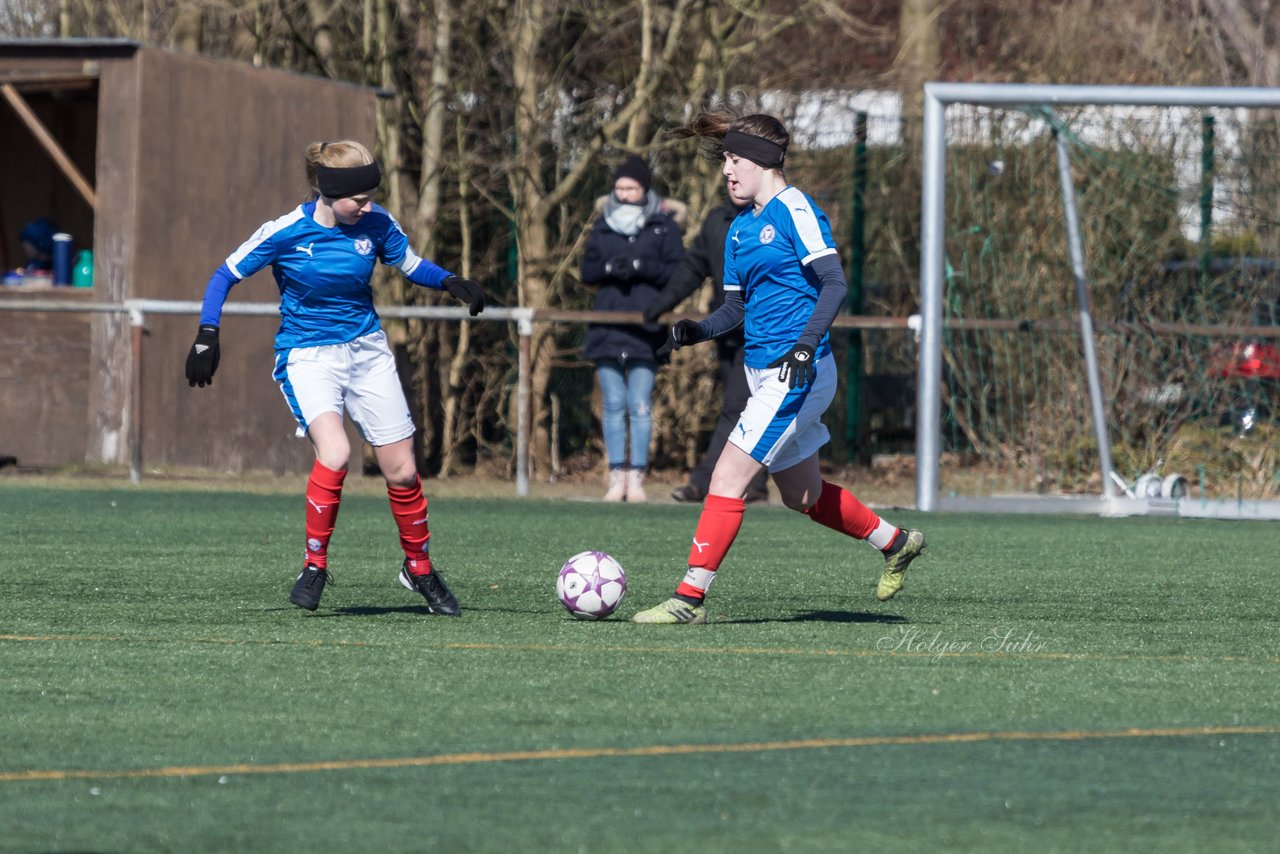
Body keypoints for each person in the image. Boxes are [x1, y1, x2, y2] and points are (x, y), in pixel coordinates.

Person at [632, 112, 927, 624]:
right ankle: (896, 541)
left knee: (727, 477)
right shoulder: (739, 229)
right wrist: (697, 330)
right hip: (762, 372)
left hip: (799, 371)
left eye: (735, 159)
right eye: (725, 159)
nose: (727, 171)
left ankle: (688, 599)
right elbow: (735, 309)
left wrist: (805, 347)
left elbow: (834, 283)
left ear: (765, 162)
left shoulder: (797, 210)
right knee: (801, 495)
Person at [184, 139, 486, 615]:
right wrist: (207, 333)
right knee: (338, 452)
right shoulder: (284, 231)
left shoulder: (377, 223)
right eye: (358, 199)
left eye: (370, 196)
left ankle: (419, 569)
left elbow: (409, 266)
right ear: (326, 190)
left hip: (367, 351)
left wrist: (450, 281)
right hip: (308, 355)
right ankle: (314, 565)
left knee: (403, 470)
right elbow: (224, 274)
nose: (367, 206)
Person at [643, 197, 770, 505]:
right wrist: (660, 305)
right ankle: (755, 484)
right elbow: (693, 266)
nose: (730, 174)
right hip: (729, 335)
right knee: (749, 410)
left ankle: (703, 483)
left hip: (765, 336)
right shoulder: (717, 221)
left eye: (737, 164)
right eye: (726, 166)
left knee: (736, 408)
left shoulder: (777, 217)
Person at [580, 154, 685, 502]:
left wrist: (641, 265)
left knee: (640, 403)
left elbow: (676, 272)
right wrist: (612, 267)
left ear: (645, 188)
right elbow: (588, 272)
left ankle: (637, 476)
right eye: (620, 187)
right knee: (613, 402)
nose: (624, 194)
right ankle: (616, 475)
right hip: (607, 326)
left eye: (632, 187)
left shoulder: (664, 225)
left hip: (646, 327)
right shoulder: (602, 225)